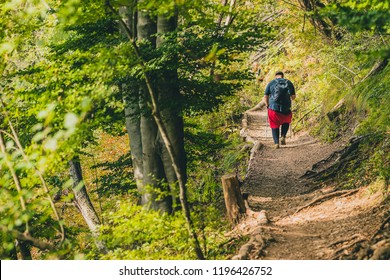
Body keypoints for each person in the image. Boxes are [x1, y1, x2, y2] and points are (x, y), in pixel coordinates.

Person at [263, 71, 296, 149]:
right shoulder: (289, 82)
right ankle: (283, 136)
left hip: (273, 107)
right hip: (286, 108)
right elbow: (293, 97)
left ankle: (276, 143)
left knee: (274, 124)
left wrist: (267, 105)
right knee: (286, 121)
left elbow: (265, 96)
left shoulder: (271, 83)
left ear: (275, 76)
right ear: (283, 76)